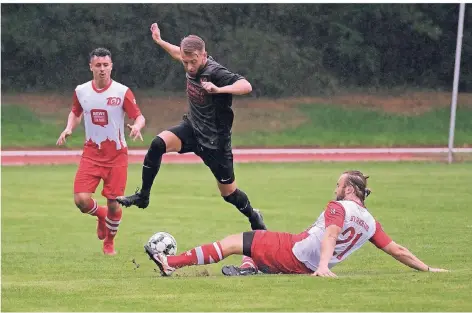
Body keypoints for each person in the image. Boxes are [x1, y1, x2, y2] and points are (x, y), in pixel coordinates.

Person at [143, 170, 448, 277]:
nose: (335, 189)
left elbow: (330, 234)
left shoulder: (338, 208)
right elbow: (398, 250)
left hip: (296, 253)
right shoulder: (370, 222)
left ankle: (170, 262)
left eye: (339, 184)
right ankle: (252, 266)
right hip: (300, 256)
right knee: (257, 236)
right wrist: (427, 268)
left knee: (235, 241)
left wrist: (324, 266)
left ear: (349, 190)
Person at [116, 23, 266, 231]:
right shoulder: (189, 60)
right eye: (186, 62)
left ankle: (253, 215)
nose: (189, 67)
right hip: (192, 129)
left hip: (216, 143)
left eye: (193, 61)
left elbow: (246, 85)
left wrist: (220, 89)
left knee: (229, 194)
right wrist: (159, 41)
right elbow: (178, 53)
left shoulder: (215, 72)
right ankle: (143, 196)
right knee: (158, 144)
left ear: (204, 55)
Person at [56, 47, 146, 255]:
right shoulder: (81, 91)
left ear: (112, 66)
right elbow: (75, 113)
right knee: (80, 200)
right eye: (98, 65)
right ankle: (101, 215)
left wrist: (138, 126)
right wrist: (69, 127)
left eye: (106, 65)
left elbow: (139, 116)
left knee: (115, 204)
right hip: (92, 153)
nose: (102, 69)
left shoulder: (122, 92)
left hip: (117, 156)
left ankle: (109, 243)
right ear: (91, 67)